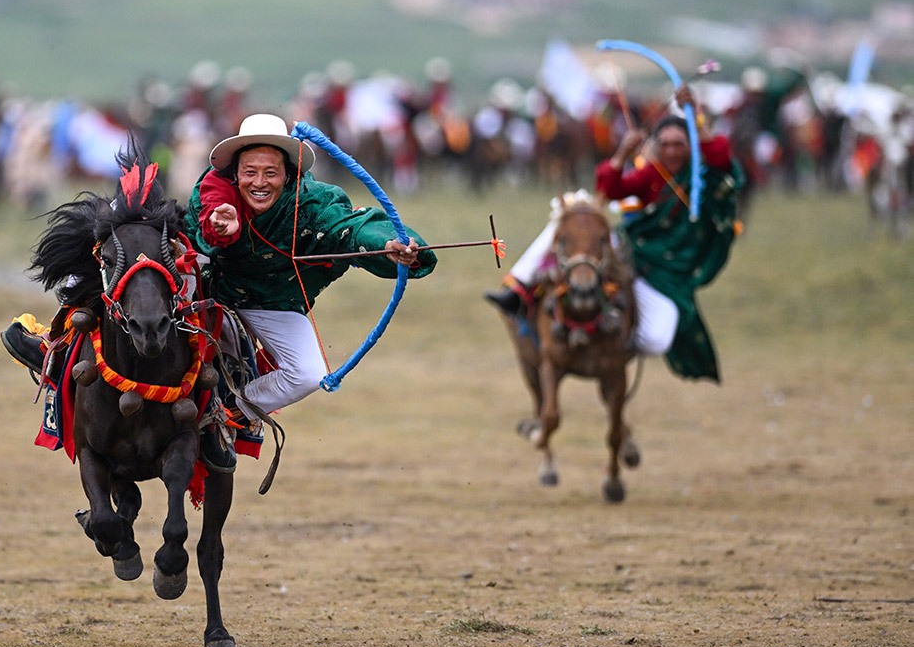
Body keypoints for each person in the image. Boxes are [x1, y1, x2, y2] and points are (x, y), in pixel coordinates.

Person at [186, 113, 438, 429]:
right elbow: (197, 232)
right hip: (208, 291)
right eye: (250, 172)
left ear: (289, 175)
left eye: (271, 173)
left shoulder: (313, 202)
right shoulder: (213, 191)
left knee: (307, 375)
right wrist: (220, 228)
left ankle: (224, 412)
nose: (260, 182)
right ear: (235, 174)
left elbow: (351, 228)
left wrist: (387, 244)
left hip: (274, 300)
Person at [485, 85, 742, 381]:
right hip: (633, 249)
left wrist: (695, 117)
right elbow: (608, 190)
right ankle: (518, 287)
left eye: (679, 144)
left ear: (691, 146)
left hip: (669, 274)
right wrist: (623, 153)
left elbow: (722, 160)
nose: (671, 151)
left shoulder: (703, 175)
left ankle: (612, 352)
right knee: (571, 212)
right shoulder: (653, 173)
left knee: (655, 340)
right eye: (665, 144)